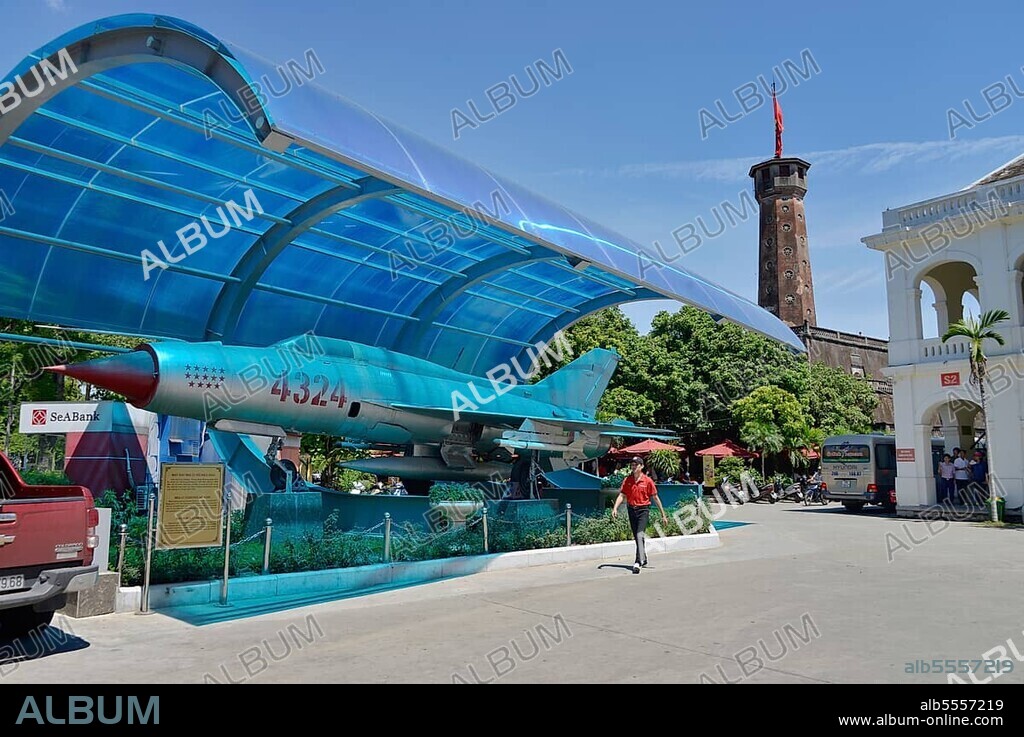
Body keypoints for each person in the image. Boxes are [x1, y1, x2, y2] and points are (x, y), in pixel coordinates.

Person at [612, 456, 669, 574]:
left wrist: (663, 515)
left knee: (639, 535)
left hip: (643, 510)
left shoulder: (648, 481)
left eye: (636, 465)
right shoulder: (628, 480)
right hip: (631, 509)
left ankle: (638, 562)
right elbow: (622, 495)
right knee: (637, 536)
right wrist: (615, 508)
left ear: (641, 466)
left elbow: (655, 498)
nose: (633, 467)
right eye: (632, 465)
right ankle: (643, 557)